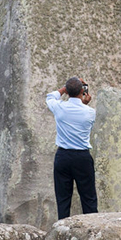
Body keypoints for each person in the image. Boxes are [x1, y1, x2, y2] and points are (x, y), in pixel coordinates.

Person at [46, 76, 97, 220]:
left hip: (63, 156)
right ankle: (93, 226)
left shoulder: (59, 107)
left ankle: (62, 227)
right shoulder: (90, 112)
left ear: (67, 92)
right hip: (82, 157)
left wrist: (64, 88)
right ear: (82, 91)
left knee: (63, 198)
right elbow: (82, 115)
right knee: (88, 198)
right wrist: (84, 103)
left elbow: (50, 97)